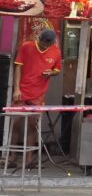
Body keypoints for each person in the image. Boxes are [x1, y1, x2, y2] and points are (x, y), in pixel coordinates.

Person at [9, 29, 62, 167]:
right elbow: (18, 67)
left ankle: (29, 159)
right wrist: (16, 88)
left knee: (33, 126)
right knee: (16, 123)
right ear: (39, 39)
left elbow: (57, 69)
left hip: (38, 94)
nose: (45, 46)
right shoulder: (27, 46)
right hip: (22, 91)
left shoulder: (55, 51)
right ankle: (12, 158)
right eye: (43, 43)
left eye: (47, 45)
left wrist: (50, 72)